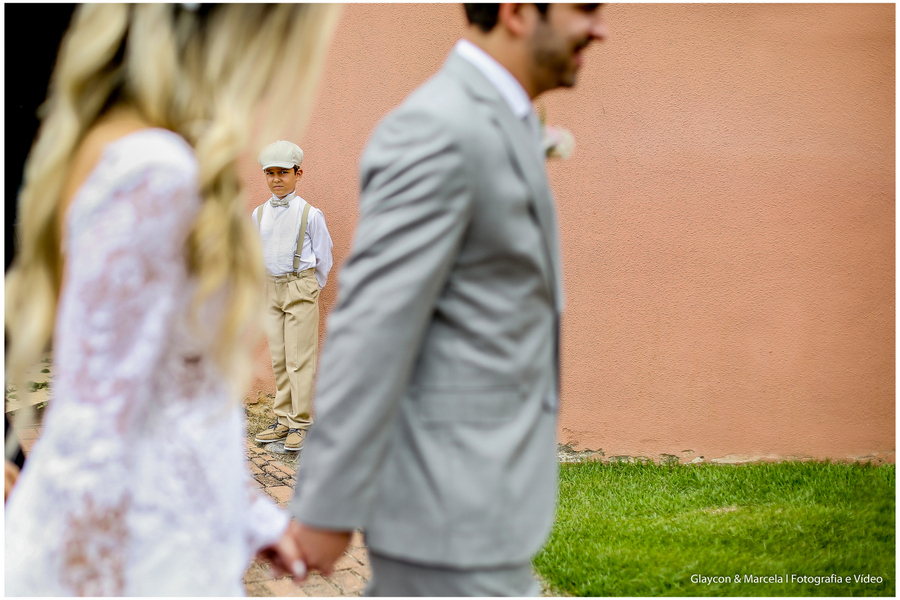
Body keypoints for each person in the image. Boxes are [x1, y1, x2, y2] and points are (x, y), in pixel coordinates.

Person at [3, 4, 337, 594]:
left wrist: (255, 517)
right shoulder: (154, 170)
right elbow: (99, 425)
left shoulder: (121, 141)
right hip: (149, 559)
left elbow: (170, 399)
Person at [287, 3, 608, 596]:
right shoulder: (439, 128)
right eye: (584, 8)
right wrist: (325, 507)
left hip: (485, 503)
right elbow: (372, 325)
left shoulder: (503, 120)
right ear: (515, 13)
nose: (600, 27)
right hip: (446, 508)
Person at [252, 140, 333, 452]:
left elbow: (324, 256)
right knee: (280, 356)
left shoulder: (310, 214)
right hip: (271, 287)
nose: (276, 179)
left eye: (283, 172)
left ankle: (300, 421)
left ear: (298, 173)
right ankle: (283, 418)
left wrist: (310, 286)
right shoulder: (259, 214)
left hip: (300, 286)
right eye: (270, 173)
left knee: (300, 358)